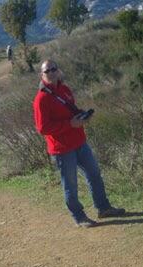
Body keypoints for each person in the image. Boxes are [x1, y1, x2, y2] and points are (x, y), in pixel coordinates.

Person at [33, 59, 124, 228]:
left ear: (58, 70)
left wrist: (82, 116)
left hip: (79, 142)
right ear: (42, 75)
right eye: (47, 71)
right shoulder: (41, 99)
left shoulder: (65, 89)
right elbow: (43, 128)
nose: (51, 73)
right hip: (62, 149)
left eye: (54, 69)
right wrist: (70, 124)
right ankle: (79, 217)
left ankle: (103, 208)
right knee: (71, 185)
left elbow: (70, 111)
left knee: (94, 174)